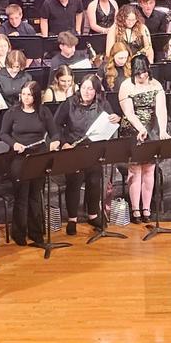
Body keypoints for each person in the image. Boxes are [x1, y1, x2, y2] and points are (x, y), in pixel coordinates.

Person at [54, 75, 121, 233]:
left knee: (94, 182)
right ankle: (72, 219)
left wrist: (116, 118)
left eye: (90, 89)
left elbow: (113, 121)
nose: (86, 91)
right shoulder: (69, 103)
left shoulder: (102, 104)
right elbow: (55, 125)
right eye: (84, 87)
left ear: (96, 91)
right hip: (73, 149)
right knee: (74, 183)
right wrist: (64, 143)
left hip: (94, 149)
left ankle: (93, 215)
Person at [0, 81, 61, 246]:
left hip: (38, 156)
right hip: (19, 157)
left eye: (29, 95)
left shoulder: (43, 111)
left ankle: (35, 232)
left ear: (36, 96)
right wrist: (14, 144)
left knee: (35, 195)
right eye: (24, 94)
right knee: (22, 196)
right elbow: (3, 134)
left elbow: (54, 133)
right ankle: (19, 232)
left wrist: (55, 142)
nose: (26, 98)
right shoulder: (12, 112)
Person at [118, 55, 169, 223]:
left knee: (149, 170)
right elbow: (129, 113)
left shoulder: (156, 85)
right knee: (135, 170)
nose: (142, 76)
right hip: (132, 130)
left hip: (151, 129)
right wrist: (140, 129)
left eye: (145, 72)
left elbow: (161, 110)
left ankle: (146, 208)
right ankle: (135, 209)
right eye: (139, 73)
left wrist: (162, 130)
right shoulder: (126, 86)